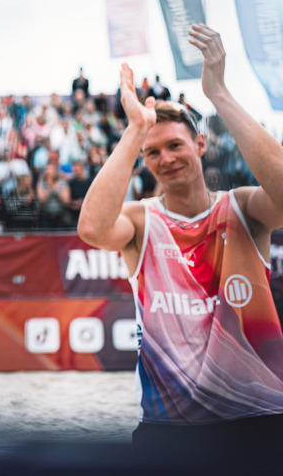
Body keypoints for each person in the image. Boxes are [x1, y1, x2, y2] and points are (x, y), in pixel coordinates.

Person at [78, 24, 283, 452]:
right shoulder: (142, 220)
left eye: (175, 145)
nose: (166, 158)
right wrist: (135, 130)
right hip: (168, 429)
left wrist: (219, 94)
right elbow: (92, 229)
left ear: (200, 144)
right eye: (152, 152)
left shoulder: (243, 208)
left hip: (258, 418)